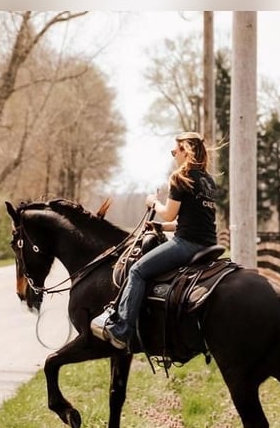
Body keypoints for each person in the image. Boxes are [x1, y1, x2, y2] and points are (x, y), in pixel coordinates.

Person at [92, 131, 218, 350]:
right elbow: (187, 220)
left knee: (137, 271)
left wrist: (153, 203)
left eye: (174, 151)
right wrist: (161, 227)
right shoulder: (208, 181)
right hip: (207, 243)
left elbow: (169, 213)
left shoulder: (180, 177)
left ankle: (122, 331)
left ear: (185, 151)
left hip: (187, 244)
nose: (174, 156)